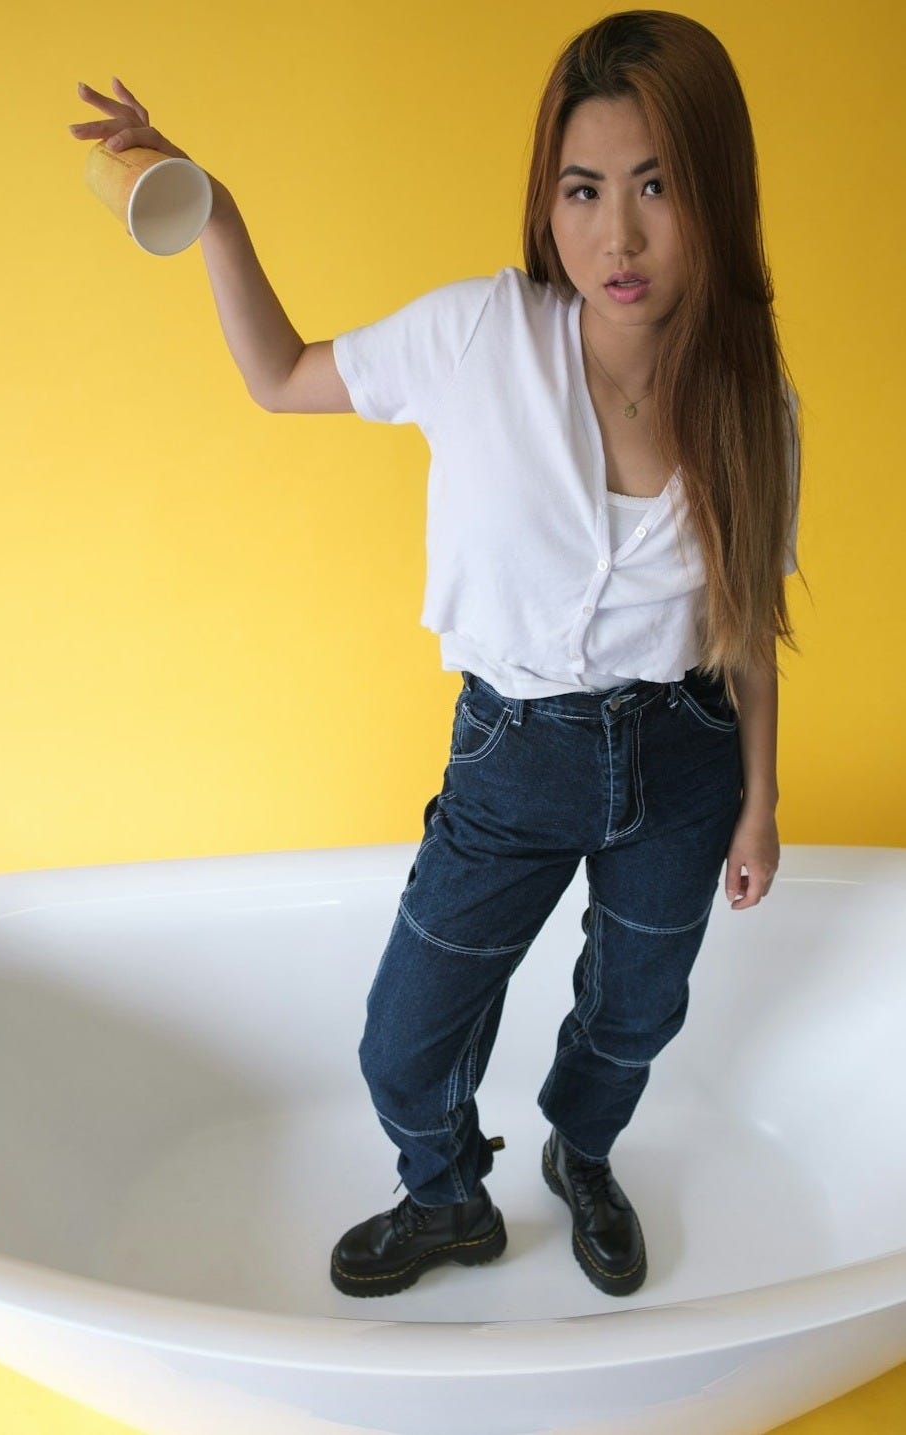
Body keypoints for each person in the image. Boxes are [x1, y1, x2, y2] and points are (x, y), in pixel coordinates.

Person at [69, 8, 804, 1302]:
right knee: (402, 1041)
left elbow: (750, 629)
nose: (615, 236)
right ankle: (448, 1197)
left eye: (655, 188)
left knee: (634, 1014)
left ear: (716, 194)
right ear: (547, 196)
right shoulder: (479, 338)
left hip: (684, 761)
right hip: (514, 758)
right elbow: (284, 374)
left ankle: (583, 1152)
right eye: (582, 190)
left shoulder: (755, 399)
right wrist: (221, 217)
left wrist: (757, 800)